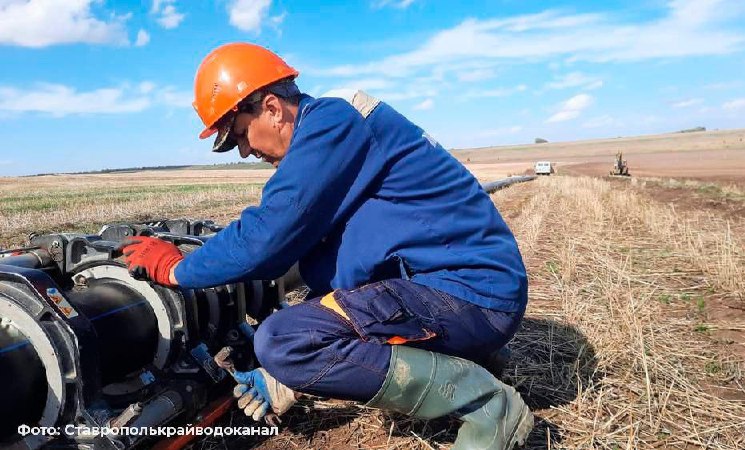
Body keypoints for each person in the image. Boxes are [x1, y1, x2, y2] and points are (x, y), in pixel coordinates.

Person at [122, 42, 533, 449]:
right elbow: (339, 265)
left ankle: (488, 406)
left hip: (472, 295)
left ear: (271, 107)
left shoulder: (333, 122)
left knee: (283, 340)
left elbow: (266, 236)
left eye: (240, 134)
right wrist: (283, 376)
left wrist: (176, 268)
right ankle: (469, 359)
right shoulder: (337, 130)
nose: (245, 151)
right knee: (308, 322)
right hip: (467, 290)